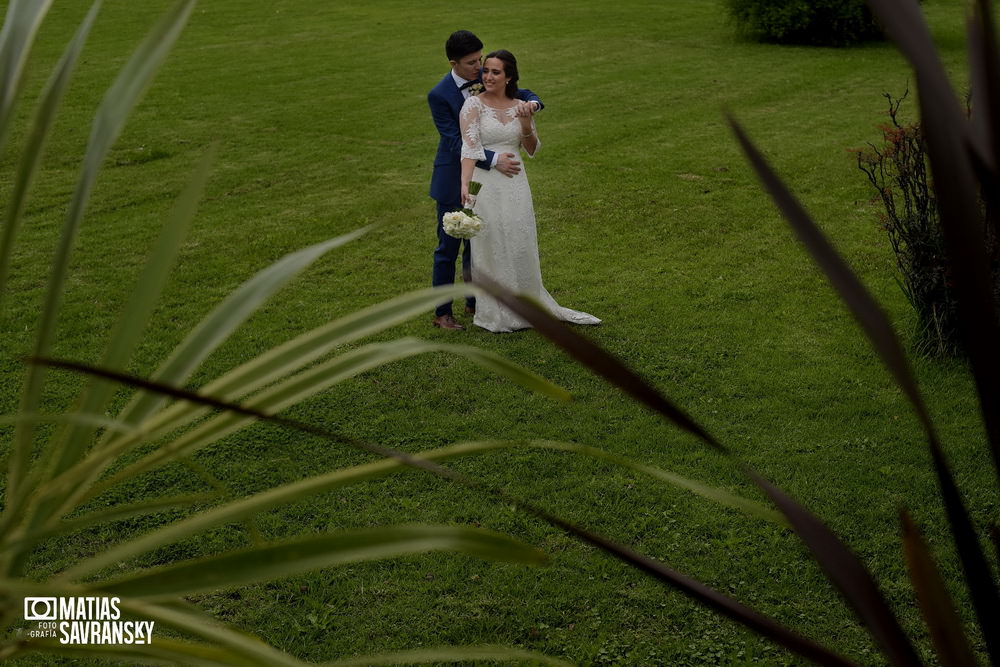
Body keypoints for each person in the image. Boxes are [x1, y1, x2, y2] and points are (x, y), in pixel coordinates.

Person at [459, 50, 601, 333]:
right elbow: (470, 149)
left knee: (518, 237)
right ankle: (495, 312)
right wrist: (465, 186)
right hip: (485, 183)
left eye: (495, 72)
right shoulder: (473, 105)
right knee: (491, 241)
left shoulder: (522, 104)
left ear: (509, 76)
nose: (488, 76)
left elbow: (533, 149)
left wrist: (525, 123)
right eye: (486, 70)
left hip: (515, 183)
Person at [428, 30, 542, 330]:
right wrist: (493, 160)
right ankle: (442, 312)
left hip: (492, 181)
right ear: (454, 63)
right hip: (455, 176)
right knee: (449, 246)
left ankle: (475, 302)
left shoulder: (485, 77)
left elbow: (521, 91)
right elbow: (455, 142)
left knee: (479, 242)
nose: (479, 68)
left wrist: (534, 104)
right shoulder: (439, 95)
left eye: (481, 59)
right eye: (471, 63)